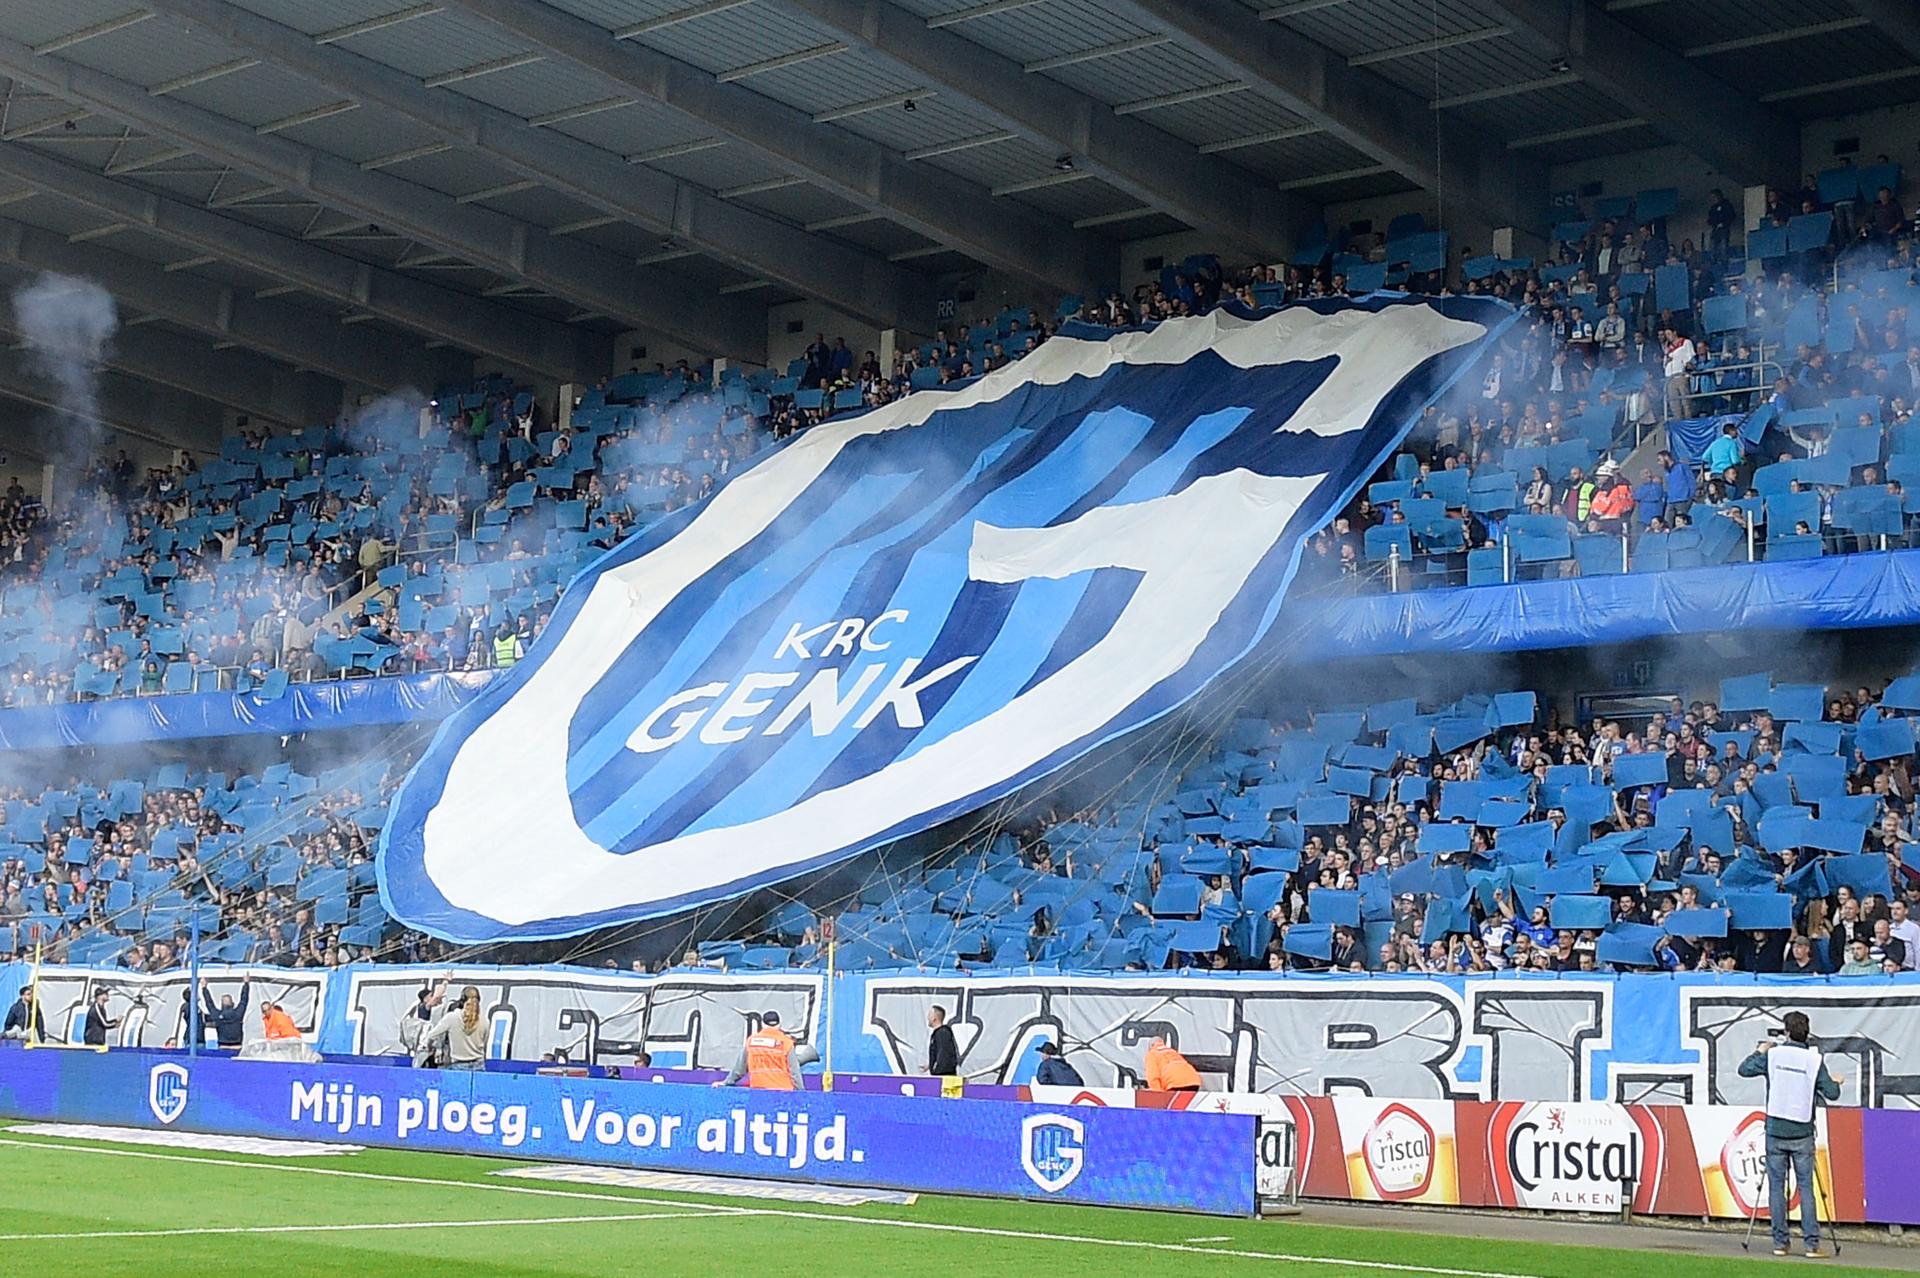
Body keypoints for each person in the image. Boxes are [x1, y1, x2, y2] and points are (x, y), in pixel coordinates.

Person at [1738, 1012, 1842, 1257]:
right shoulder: (1814, 1060)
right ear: (1806, 1032)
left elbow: (1744, 1070)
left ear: (1786, 1032)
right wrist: (1836, 1082)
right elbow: (1832, 1094)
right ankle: (1811, 1244)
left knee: (1776, 1187)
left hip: (1775, 1129)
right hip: (1802, 1131)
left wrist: (1760, 1051)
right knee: (1806, 1188)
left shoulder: (1773, 1056)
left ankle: (1780, 1243)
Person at [722, 1010, 803, 1090]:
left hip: (758, 1093)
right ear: (779, 1025)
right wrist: (801, 1093)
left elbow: (739, 1069)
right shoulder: (786, 1043)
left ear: (763, 1024)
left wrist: (725, 1083)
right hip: (783, 1093)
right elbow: (795, 1073)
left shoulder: (751, 1042)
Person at [422, 986, 487, 1070]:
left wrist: (430, 1047)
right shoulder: (485, 1021)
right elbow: (484, 1043)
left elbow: (431, 1035)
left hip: (458, 1066)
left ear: (462, 1000)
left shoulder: (451, 1017)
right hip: (479, 1066)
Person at [399, 977, 448, 1058]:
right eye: (430, 996)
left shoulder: (421, 1006)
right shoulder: (425, 1006)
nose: (433, 998)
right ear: (425, 999)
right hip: (424, 1041)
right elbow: (437, 996)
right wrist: (445, 982)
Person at [199, 976, 249, 1049]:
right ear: (232, 1003)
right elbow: (244, 1000)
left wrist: (204, 988)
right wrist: (246, 984)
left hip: (223, 1046)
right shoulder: (238, 1013)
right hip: (237, 1046)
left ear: (221, 1004)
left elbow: (209, 1003)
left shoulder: (217, 1015)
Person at [926, 1004, 958, 1076]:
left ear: (934, 1018)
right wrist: (931, 1064)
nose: (928, 1017)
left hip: (944, 1077)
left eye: (929, 1015)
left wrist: (936, 1069)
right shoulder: (938, 1034)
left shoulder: (942, 1033)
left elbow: (944, 1053)